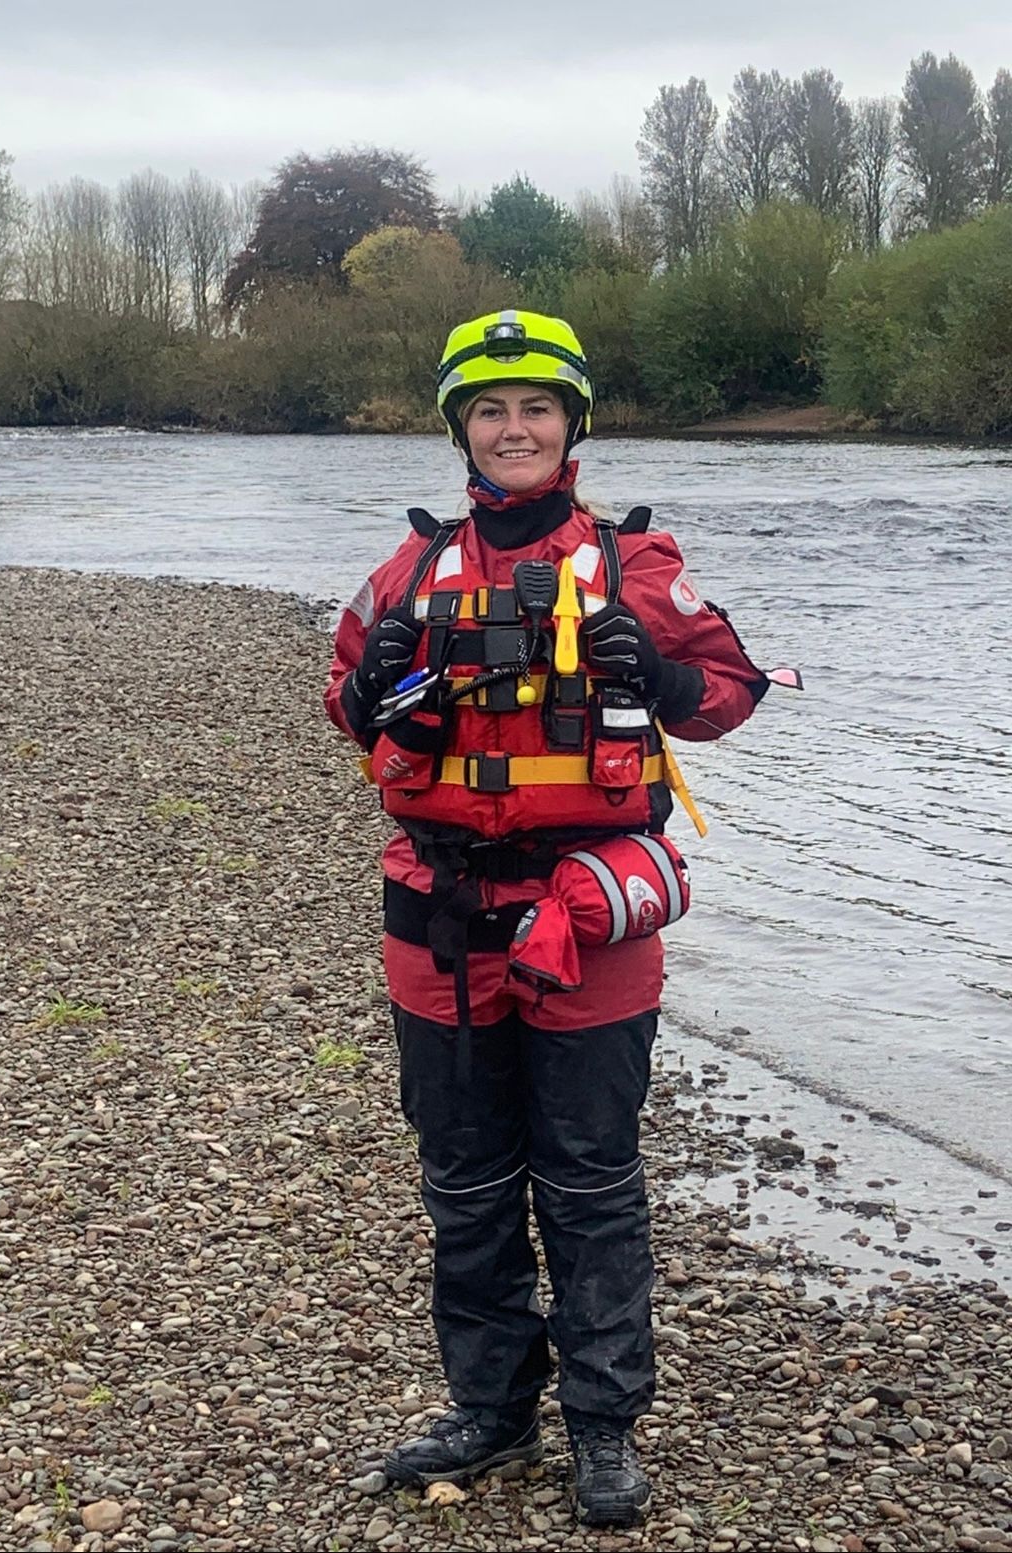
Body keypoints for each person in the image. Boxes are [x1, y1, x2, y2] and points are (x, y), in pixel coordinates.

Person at [325, 310, 769, 1527]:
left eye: (535, 408)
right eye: (489, 409)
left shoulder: (637, 565)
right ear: (459, 428)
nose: (513, 428)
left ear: (573, 424)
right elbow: (347, 708)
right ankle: (492, 1404)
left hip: (591, 913)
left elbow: (731, 694)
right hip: (441, 918)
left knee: (590, 1180)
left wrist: (656, 671)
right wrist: (378, 683)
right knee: (464, 1180)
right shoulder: (407, 572)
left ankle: (606, 1422)